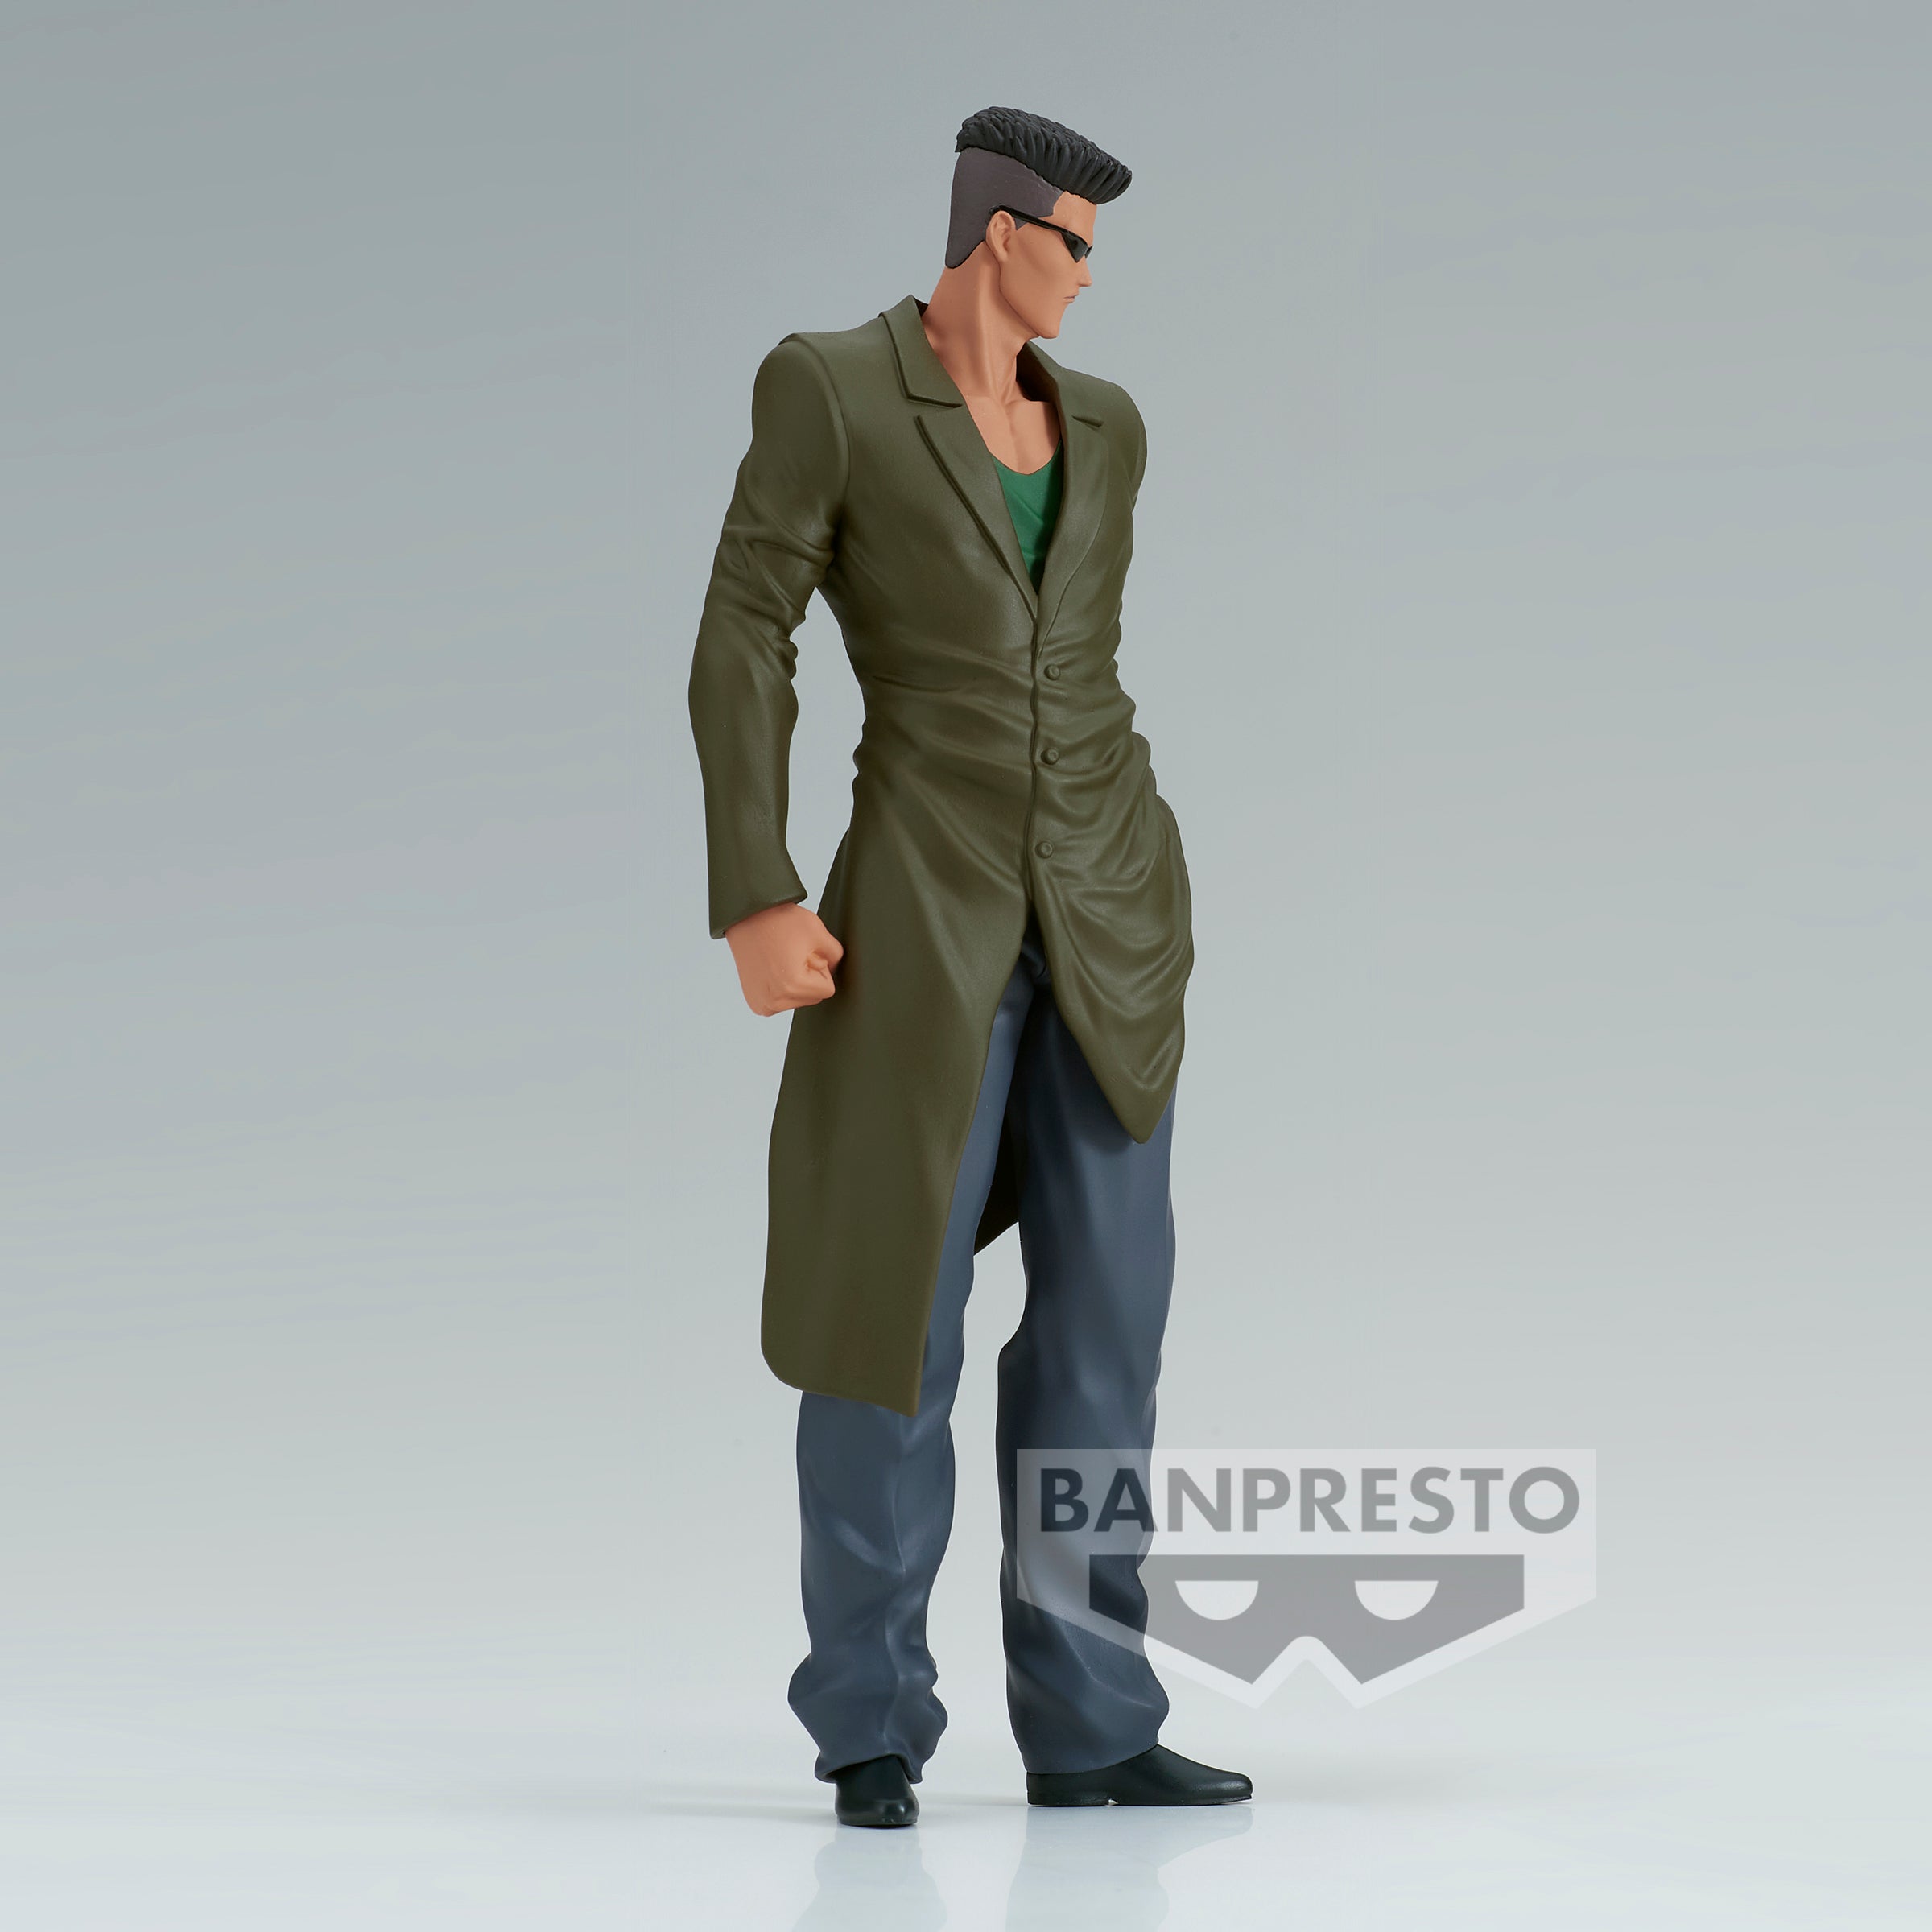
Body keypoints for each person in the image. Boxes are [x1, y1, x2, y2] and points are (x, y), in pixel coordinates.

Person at [687, 105, 1250, 1827]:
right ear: (1001, 231)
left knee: (1108, 1330)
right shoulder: (833, 389)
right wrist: (755, 887)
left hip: (1109, 914)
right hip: (921, 914)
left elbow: (1078, 669)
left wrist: (1143, 878)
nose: (1089, 275)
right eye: (1075, 242)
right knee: (888, 1322)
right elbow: (745, 629)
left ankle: (1092, 1719)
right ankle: (869, 1715)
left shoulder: (1111, 426)